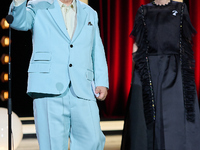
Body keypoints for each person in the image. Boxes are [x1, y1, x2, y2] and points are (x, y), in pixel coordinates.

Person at [8, 0, 109, 149]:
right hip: (49, 87)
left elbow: (96, 48)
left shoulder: (89, 12)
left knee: (93, 141)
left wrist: (101, 81)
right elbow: (18, 22)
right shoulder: (38, 6)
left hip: (83, 88)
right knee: (52, 145)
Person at [121, 0, 200, 150]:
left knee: (175, 115)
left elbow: (186, 41)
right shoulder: (144, 11)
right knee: (147, 116)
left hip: (174, 69)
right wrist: (137, 72)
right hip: (149, 68)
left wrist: (185, 72)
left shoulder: (180, 8)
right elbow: (137, 43)